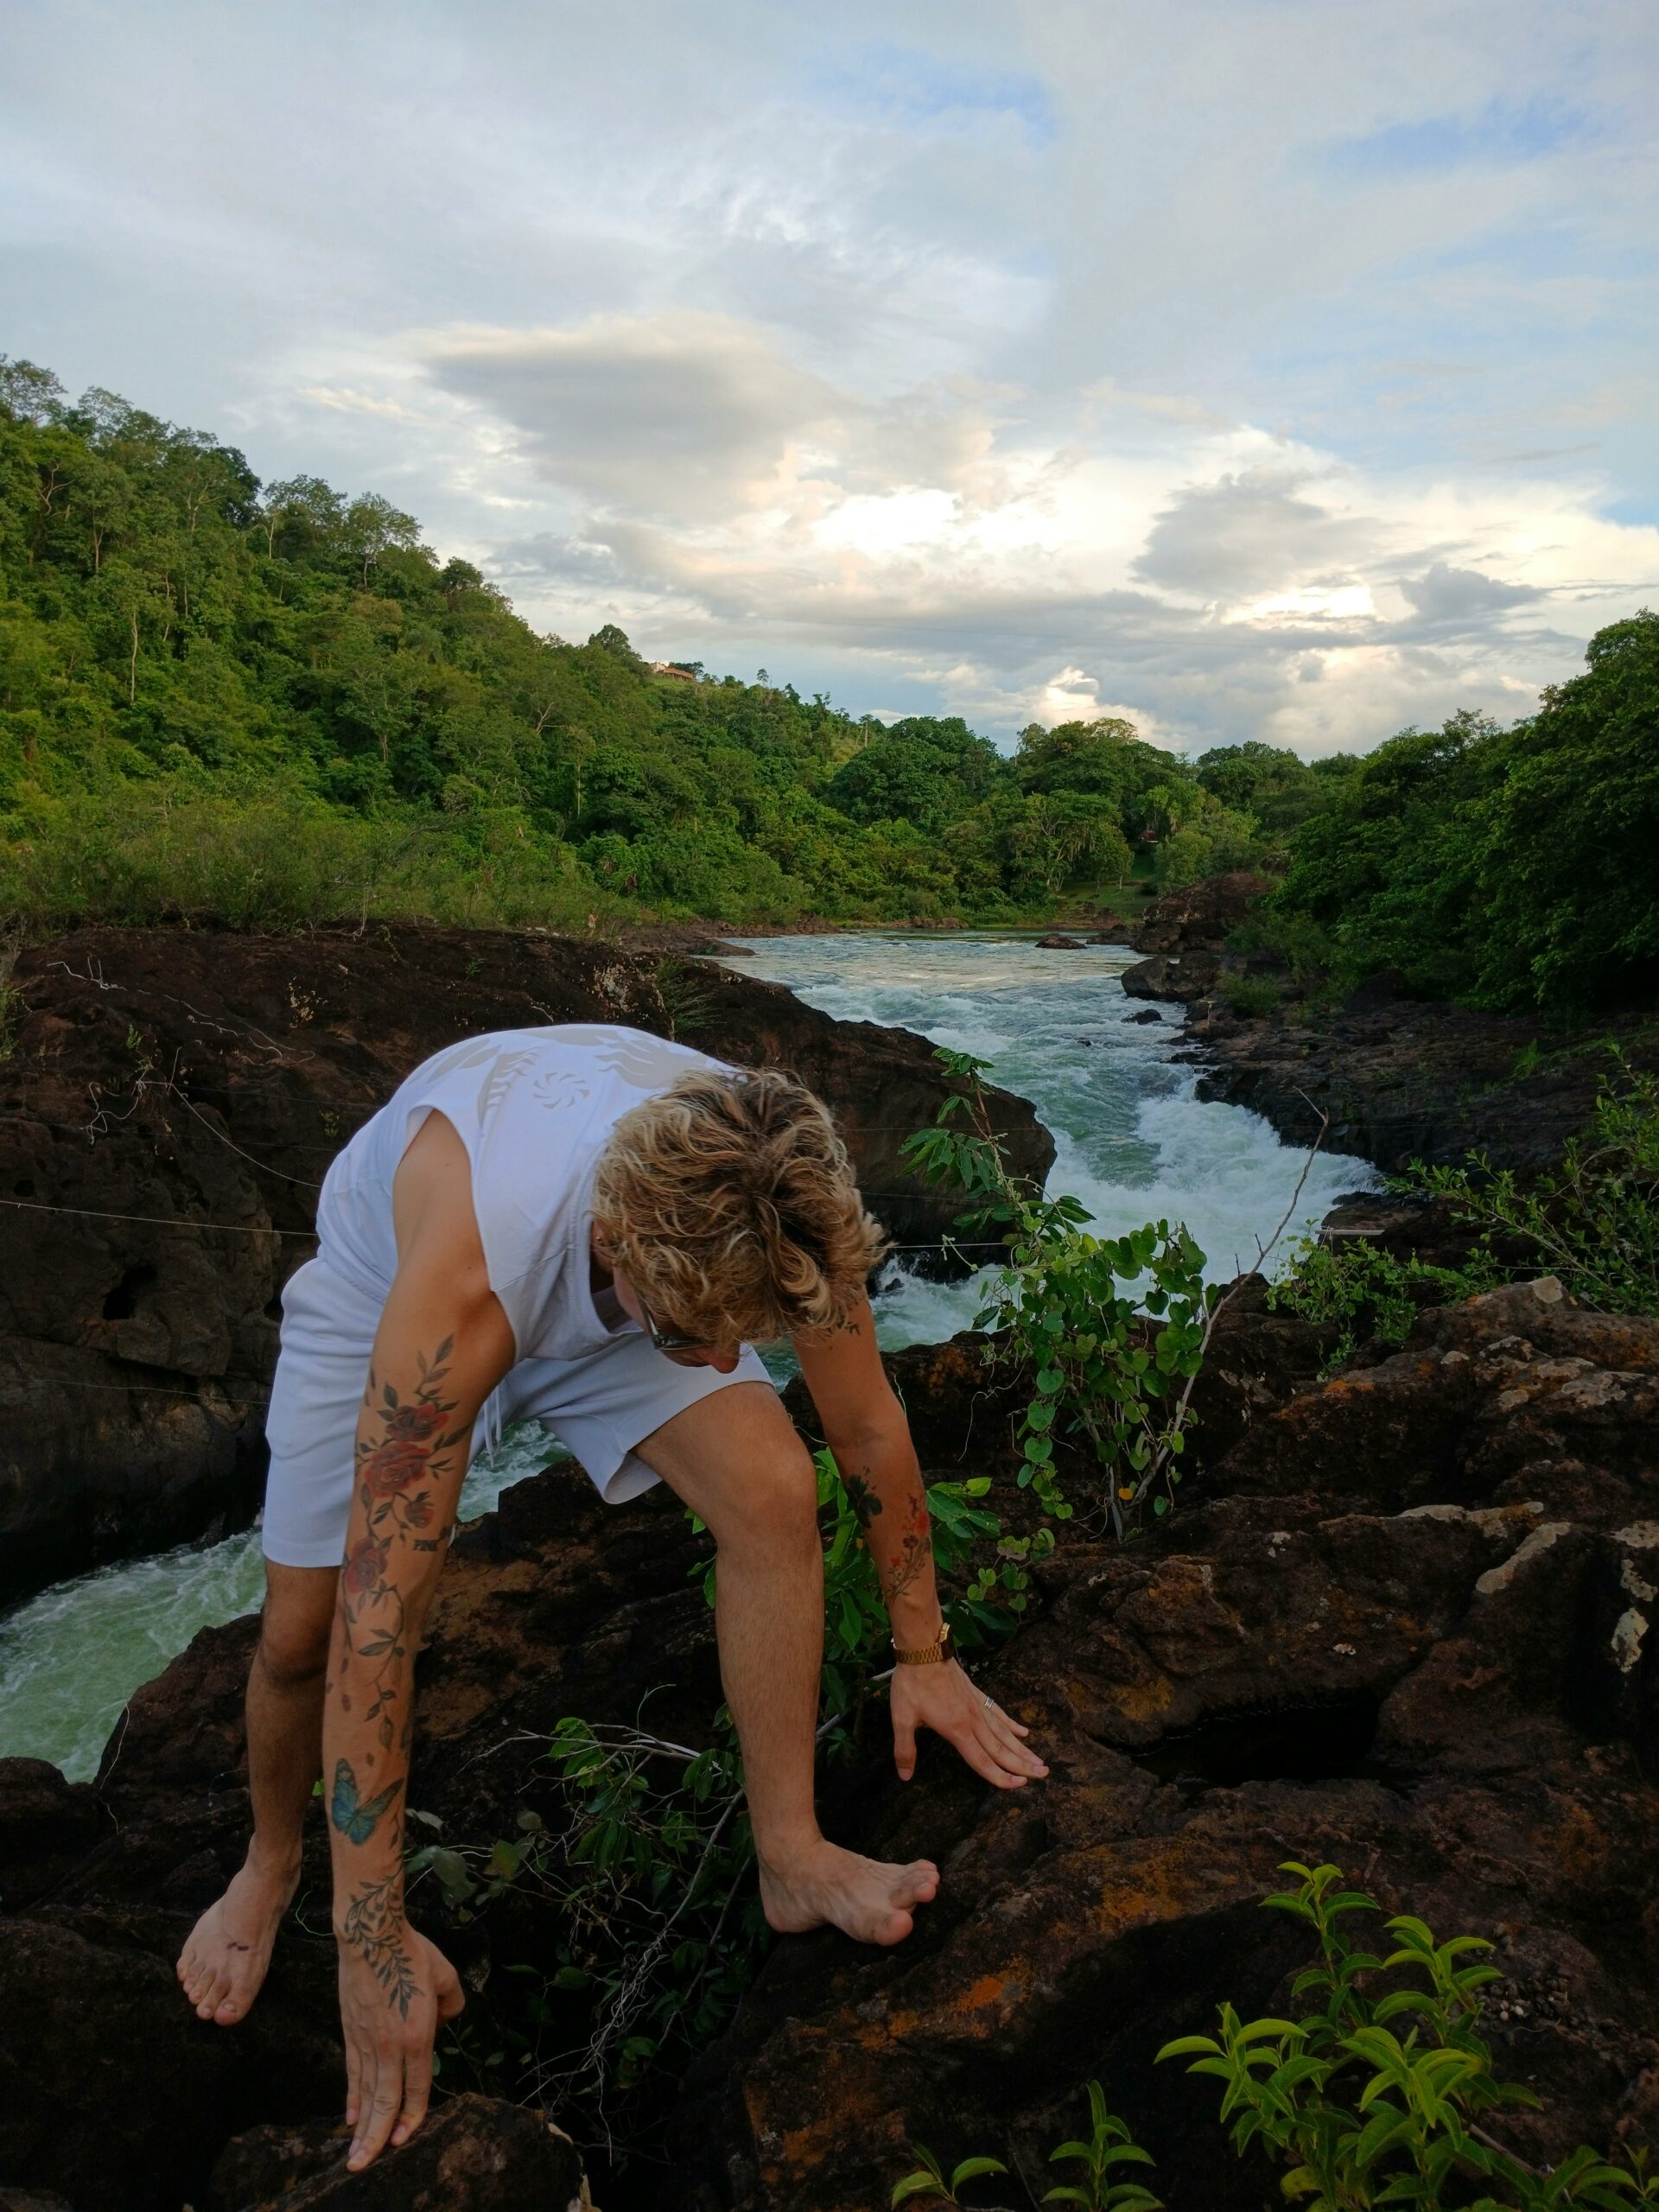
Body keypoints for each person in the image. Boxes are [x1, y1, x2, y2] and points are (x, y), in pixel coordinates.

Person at [176, 1023, 1046, 2171]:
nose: (724, 1361)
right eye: (704, 1338)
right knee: (299, 1635)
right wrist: (369, 1934)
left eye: (744, 1336)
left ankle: (790, 1855)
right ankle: (271, 1861)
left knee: (774, 1490)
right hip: (393, 1284)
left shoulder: (776, 1192)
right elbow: (380, 1624)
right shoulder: (467, 1275)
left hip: (637, 1272)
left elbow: (866, 1426)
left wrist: (924, 1655)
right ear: (614, 1246)